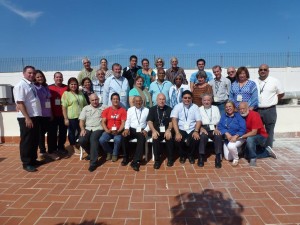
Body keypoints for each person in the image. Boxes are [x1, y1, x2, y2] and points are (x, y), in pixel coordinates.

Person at [13, 66, 42, 172]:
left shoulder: (31, 85)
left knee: (34, 140)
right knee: (27, 140)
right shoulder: (21, 85)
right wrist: (27, 117)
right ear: (24, 73)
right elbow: (20, 102)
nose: (32, 75)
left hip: (34, 116)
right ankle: (26, 163)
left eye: (33, 73)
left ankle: (33, 160)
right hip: (27, 118)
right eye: (29, 73)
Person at [238, 102, 277, 167]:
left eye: (243, 109)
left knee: (250, 139)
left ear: (248, 108)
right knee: (245, 155)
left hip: (260, 136)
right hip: (248, 136)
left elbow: (254, 132)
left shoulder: (254, 115)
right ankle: (265, 152)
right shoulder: (240, 116)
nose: (242, 111)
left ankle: (253, 158)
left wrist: (241, 136)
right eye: (240, 109)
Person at [255, 64, 284, 148]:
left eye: (265, 69)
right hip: (257, 110)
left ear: (268, 71)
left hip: (270, 110)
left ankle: (268, 149)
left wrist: (273, 100)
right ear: (258, 71)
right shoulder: (254, 81)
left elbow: (281, 93)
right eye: (261, 70)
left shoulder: (275, 81)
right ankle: (259, 147)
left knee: (269, 130)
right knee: (257, 130)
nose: (262, 71)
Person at [78, 94, 107, 172]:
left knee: (93, 139)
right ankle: (91, 153)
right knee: (81, 140)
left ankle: (93, 163)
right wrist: (82, 129)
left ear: (98, 99)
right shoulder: (86, 108)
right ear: (89, 101)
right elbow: (81, 120)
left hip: (99, 128)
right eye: (92, 100)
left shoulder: (104, 107)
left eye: (96, 100)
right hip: (88, 128)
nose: (95, 102)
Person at [171, 90, 201, 164]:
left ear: (191, 99)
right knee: (177, 139)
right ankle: (182, 155)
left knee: (196, 139)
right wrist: (177, 132)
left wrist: (196, 131)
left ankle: (190, 155)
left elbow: (199, 120)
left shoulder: (195, 107)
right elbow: (174, 119)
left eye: (189, 98)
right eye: (185, 98)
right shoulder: (177, 106)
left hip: (192, 129)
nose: (187, 99)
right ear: (182, 98)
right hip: (181, 128)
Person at [34, 70, 57, 161]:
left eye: (41, 76)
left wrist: (51, 113)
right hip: (39, 115)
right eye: (38, 77)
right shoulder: (34, 87)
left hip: (48, 114)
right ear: (35, 78)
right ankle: (42, 152)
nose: (40, 78)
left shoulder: (45, 87)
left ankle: (51, 151)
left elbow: (48, 101)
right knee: (40, 135)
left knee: (51, 133)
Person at [121, 96, 149, 171]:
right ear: (133, 102)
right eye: (136, 101)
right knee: (124, 136)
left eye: (140, 101)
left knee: (142, 138)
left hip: (141, 130)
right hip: (132, 129)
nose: (138, 102)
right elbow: (128, 121)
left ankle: (135, 161)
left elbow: (149, 123)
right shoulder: (130, 110)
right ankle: (126, 157)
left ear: (142, 102)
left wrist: (146, 130)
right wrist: (126, 129)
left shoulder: (146, 110)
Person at [147, 93, 174, 169]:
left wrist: (169, 130)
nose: (161, 101)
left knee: (170, 138)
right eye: (160, 99)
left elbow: (171, 122)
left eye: (163, 99)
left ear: (165, 100)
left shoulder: (169, 109)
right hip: (156, 130)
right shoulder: (152, 109)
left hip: (166, 130)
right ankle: (157, 161)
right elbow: (150, 121)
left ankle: (170, 159)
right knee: (155, 139)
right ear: (156, 100)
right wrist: (153, 131)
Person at [61, 77, 87, 155]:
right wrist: (65, 118)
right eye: (71, 84)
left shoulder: (80, 93)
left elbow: (85, 104)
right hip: (72, 117)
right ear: (68, 85)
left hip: (81, 117)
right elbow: (64, 107)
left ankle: (79, 144)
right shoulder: (66, 94)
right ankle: (74, 147)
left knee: (80, 131)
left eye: (75, 84)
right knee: (72, 132)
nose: (73, 86)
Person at [99, 93, 126, 162]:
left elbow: (123, 122)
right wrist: (107, 130)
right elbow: (103, 122)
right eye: (114, 99)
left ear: (119, 100)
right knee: (102, 140)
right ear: (111, 100)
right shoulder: (107, 110)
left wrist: (119, 130)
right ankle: (109, 152)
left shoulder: (123, 110)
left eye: (117, 99)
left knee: (118, 139)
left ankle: (115, 154)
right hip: (109, 131)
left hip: (118, 131)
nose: (115, 100)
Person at [217, 101, 246, 166]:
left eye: (230, 106)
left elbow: (243, 128)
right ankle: (238, 150)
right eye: (226, 107)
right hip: (228, 138)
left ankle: (236, 159)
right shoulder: (223, 116)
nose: (228, 108)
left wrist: (236, 136)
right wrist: (226, 133)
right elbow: (220, 126)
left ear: (233, 107)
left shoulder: (238, 116)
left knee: (231, 146)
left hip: (239, 137)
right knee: (228, 158)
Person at [198, 94, 222, 168]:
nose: (206, 102)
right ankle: (201, 156)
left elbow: (219, 120)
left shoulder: (215, 108)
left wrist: (217, 128)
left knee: (218, 136)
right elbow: (197, 121)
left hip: (214, 127)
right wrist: (200, 128)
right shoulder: (199, 109)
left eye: (208, 100)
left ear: (211, 101)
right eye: (204, 100)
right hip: (204, 127)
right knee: (203, 136)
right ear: (202, 101)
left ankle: (218, 157)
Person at [48, 72, 68, 155]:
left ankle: (61, 147)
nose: (58, 78)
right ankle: (52, 149)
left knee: (63, 132)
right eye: (57, 77)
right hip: (52, 114)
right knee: (52, 133)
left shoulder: (66, 88)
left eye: (60, 77)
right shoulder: (49, 88)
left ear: (62, 78)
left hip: (63, 115)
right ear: (54, 78)